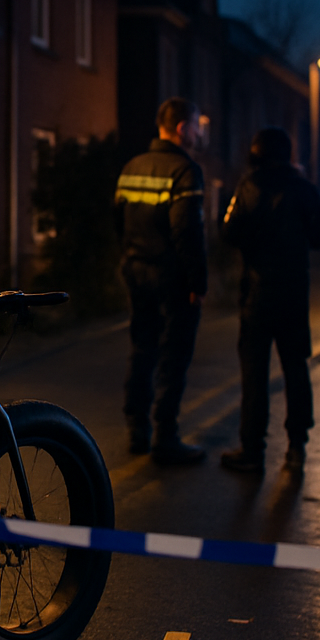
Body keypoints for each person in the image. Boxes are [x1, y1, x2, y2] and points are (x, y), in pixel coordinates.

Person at [219, 128, 320, 472]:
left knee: (255, 373)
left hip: (257, 291)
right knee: (295, 367)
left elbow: (229, 232)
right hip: (293, 293)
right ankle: (297, 444)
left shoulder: (248, 186)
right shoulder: (303, 188)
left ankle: (252, 449)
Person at [115, 97, 207, 465]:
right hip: (172, 276)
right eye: (197, 125)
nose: (199, 133)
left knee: (142, 347)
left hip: (136, 269)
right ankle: (166, 435)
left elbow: (118, 220)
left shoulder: (132, 167)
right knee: (174, 353)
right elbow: (187, 231)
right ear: (182, 129)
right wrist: (197, 281)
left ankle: (136, 428)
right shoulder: (185, 171)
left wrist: (128, 257)